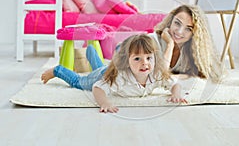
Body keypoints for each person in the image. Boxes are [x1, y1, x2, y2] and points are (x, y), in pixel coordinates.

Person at [41, 34, 187, 113]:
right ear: (126, 61)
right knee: (79, 82)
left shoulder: (156, 75)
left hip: (107, 70)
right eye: (137, 59)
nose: (145, 63)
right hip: (103, 75)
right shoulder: (119, 78)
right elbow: (97, 87)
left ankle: (91, 51)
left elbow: (175, 85)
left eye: (149, 58)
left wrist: (176, 94)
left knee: (100, 67)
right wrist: (104, 102)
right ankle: (58, 70)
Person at [152, 4, 224, 81]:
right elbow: (159, 76)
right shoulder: (151, 41)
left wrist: (176, 77)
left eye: (188, 29)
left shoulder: (192, 50)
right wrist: (170, 45)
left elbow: (204, 75)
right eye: (177, 23)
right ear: (170, 22)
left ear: (194, 33)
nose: (179, 32)